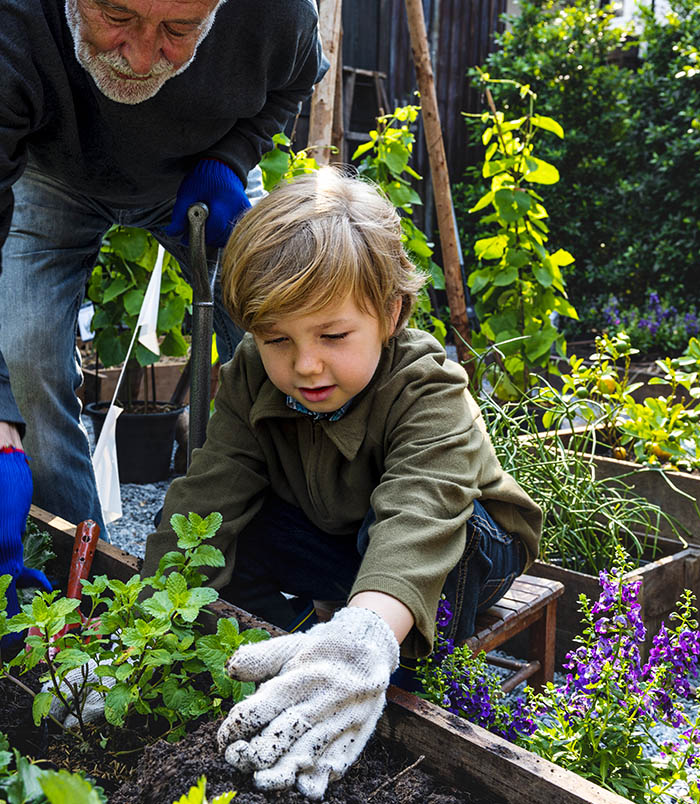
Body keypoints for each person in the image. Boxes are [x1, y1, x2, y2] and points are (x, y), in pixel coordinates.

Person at [0, 0, 326, 631]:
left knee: (292, 331)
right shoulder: (3, 1)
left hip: (195, 177)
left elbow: (290, 84)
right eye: (114, 13)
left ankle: (304, 553)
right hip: (50, 178)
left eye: (179, 30)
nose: (137, 55)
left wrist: (229, 160)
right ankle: (78, 587)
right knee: (23, 368)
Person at [140, 167, 543, 799]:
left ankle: (389, 668)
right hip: (337, 533)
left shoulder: (427, 387)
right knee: (229, 532)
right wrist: (143, 633)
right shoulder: (253, 376)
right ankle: (300, 646)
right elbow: (209, 493)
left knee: (448, 540)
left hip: (460, 542)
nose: (304, 364)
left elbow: (420, 511)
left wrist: (367, 638)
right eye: (277, 339)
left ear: (388, 313)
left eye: (332, 335)